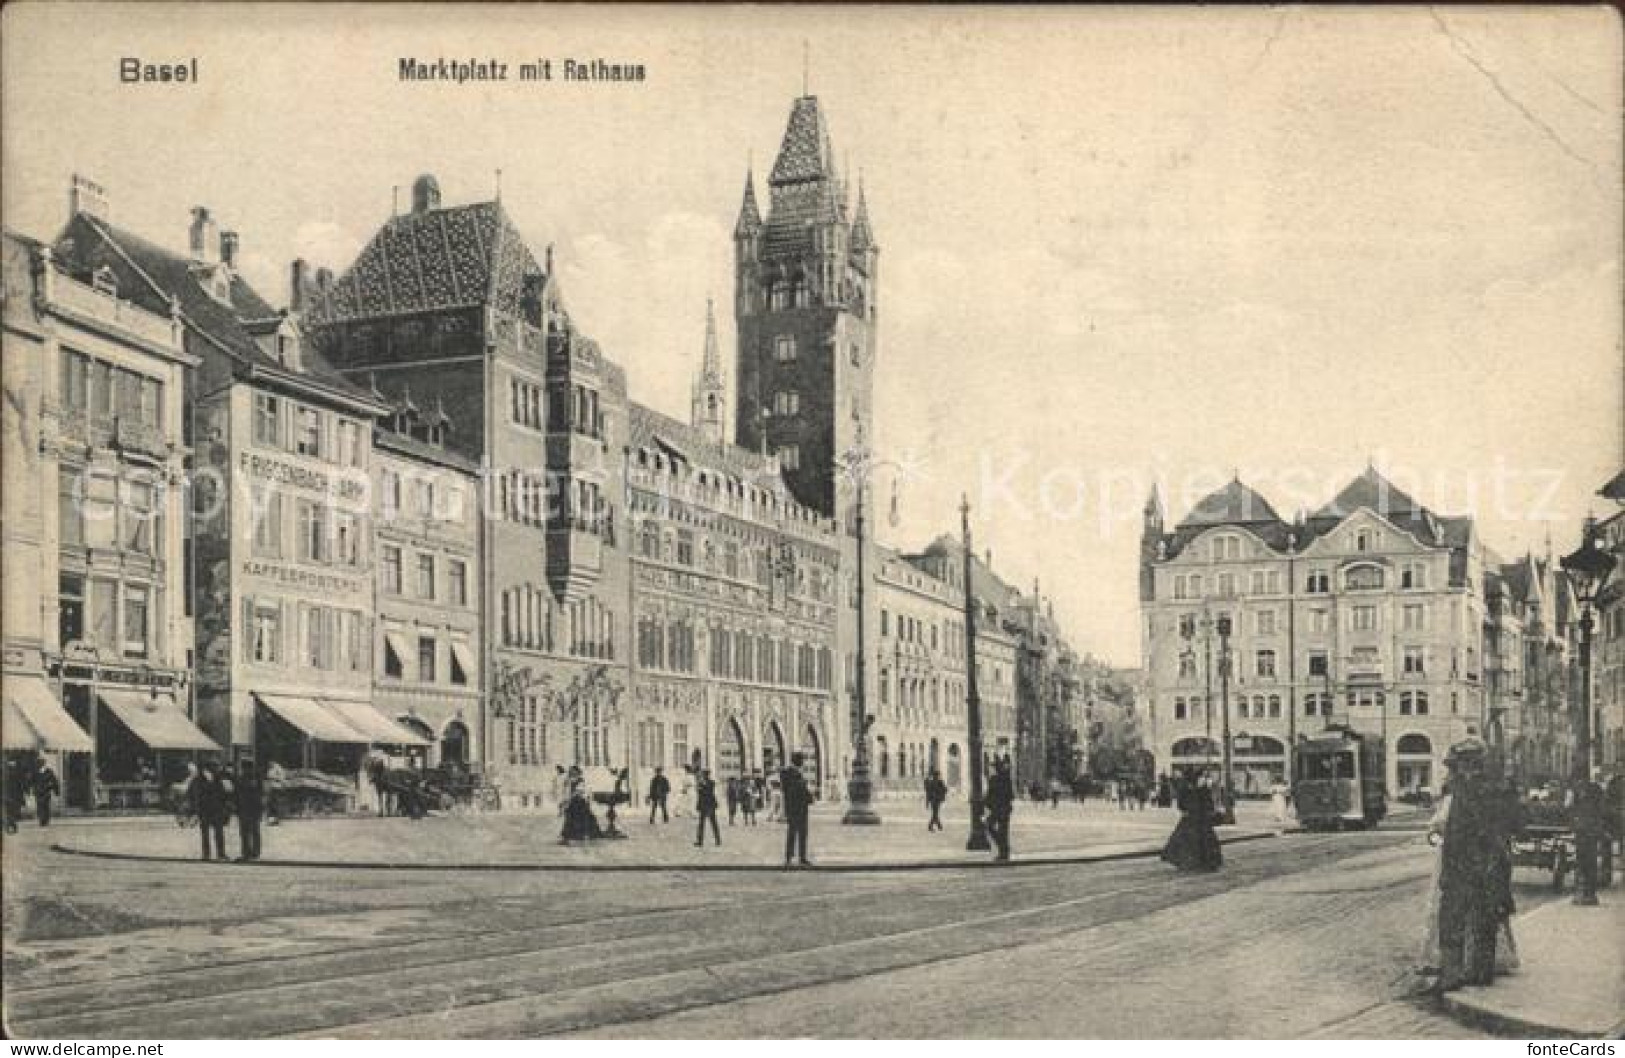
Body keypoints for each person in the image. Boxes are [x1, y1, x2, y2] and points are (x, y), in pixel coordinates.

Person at [1434, 739, 1501, 991]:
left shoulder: (1474, 790)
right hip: (1473, 863)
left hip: (1473, 864)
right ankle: (1474, 971)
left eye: (1467, 762)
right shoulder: (1474, 788)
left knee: (1458, 916)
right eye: (1462, 763)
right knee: (1478, 915)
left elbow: (1485, 829)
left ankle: (1458, 974)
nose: (1464, 768)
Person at [1160, 772, 1222, 872]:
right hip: (1195, 819)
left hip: (1199, 819)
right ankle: (1192, 862)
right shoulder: (1192, 789)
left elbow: (1208, 804)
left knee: (1197, 841)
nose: (1203, 780)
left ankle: (1202, 862)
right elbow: (1182, 804)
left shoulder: (1201, 790)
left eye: (1203, 778)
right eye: (1201, 778)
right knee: (1193, 841)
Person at [1571, 772, 1608, 906]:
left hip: (1587, 832)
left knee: (1586, 863)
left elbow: (1573, 810)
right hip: (1586, 832)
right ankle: (1585, 894)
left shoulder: (1588, 793)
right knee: (1585, 863)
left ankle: (1587, 894)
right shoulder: (1589, 793)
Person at [192, 763, 229, 862]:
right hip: (206, 809)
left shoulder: (217, 778)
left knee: (217, 832)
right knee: (208, 832)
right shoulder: (199, 779)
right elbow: (195, 794)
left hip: (215, 808)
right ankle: (208, 853)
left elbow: (223, 793)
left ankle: (218, 853)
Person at [781, 754, 813, 867]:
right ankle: (790, 857)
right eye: (801, 760)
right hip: (795, 807)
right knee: (793, 833)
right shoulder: (789, 773)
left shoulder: (796, 773)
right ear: (797, 761)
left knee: (802, 833)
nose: (803, 762)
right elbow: (792, 790)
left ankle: (801, 857)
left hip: (800, 807)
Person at [985, 758, 1015, 862]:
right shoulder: (1006, 779)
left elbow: (989, 795)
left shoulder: (995, 779)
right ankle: (1004, 850)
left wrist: (988, 803)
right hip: (1003, 809)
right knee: (1002, 831)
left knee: (990, 826)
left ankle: (1003, 851)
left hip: (999, 808)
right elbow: (1011, 796)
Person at [235, 761, 266, 862]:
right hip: (244, 808)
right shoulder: (242, 778)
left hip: (252, 808)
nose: (245, 770)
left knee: (253, 831)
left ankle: (254, 853)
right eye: (244, 768)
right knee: (245, 831)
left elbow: (261, 794)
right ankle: (247, 852)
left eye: (246, 768)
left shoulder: (255, 778)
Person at [694, 769, 721, 847]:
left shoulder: (711, 783)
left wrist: (702, 787)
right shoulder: (701, 783)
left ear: (707, 775)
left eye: (705, 775)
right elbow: (699, 793)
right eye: (704, 775)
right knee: (702, 824)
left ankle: (718, 840)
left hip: (709, 805)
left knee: (713, 823)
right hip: (704, 805)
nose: (704, 776)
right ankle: (700, 841)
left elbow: (708, 792)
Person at [31, 762, 59, 828]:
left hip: (46, 791)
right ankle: (41, 820)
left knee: (45, 805)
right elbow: (32, 781)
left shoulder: (49, 772)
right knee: (39, 805)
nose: (41, 766)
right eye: (40, 764)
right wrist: (33, 789)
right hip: (38, 791)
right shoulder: (35, 772)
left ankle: (45, 820)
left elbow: (54, 781)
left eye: (42, 764)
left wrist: (55, 790)